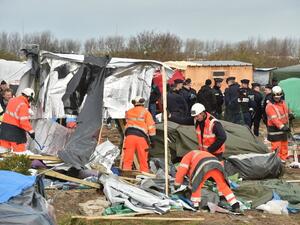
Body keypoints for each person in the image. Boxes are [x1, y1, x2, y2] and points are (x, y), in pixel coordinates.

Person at [174, 150, 241, 212]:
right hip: (217, 165)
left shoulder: (187, 157)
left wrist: (177, 184)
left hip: (204, 166)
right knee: (223, 185)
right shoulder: (200, 153)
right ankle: (235, 205)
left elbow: (181, 172)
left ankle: (195, 206)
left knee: (197, 185)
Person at [122, 96, 156, 172]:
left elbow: (127, 122)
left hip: (129, 137)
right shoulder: (146, 112)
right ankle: (144, 174)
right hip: (141, 138)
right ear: (143, 103)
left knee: (127, 158)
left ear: (134, 103)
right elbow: (151, 127)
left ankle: (126, 173)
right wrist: (153, 140)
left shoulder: (129, 112)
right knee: (143, 159)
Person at [0, 88, 35, 153]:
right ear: (29, 98)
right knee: (20, 154)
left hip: (4, 130)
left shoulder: (12, 100)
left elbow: (14, 112)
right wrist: (31, 132)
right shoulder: (23, 105)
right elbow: (24, 122)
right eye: (31, 100)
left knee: (3, 153)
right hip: (15, 133)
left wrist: (27, 109)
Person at [265, 86, 290, 162]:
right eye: (276, 97)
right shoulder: (270, 106)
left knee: (284, 145)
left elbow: (286, 111)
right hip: (274, 129)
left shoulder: (283, 102)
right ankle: (276, 161)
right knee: (277, 146)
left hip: (283, 127)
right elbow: (274, 119)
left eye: (279, 97)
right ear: (272, 96)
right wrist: (282, 126)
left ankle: (283, 159)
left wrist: (290, 114)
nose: (277, 99)